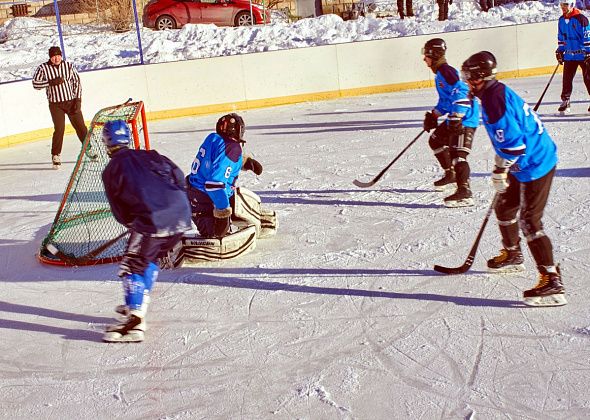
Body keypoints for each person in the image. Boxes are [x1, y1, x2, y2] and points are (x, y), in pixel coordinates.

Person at [460, 51, 566, 307]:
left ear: (479, 77)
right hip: (524, 158)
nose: (466, 82)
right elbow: (510, 142)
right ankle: (512, 253)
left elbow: (515, 147)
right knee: (505, 206)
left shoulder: (494, 101)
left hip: (535, 162)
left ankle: (551, 280)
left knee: (530, 220)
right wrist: (502, 166)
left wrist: (500, 170)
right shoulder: (492, 92)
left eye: (468, 77)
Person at [101, 120, 192, 342]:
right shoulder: (151, 155)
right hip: (181, 214)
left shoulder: (111, 170)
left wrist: (137, 224)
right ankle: (139, 300)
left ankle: (136, 319)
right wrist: (176, 202)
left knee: (132, 263)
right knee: (149, 257)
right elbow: (179, 176)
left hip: (152, 220)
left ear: (106, 142)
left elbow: (120, 211)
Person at [421, 38, 480, 207]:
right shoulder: (441, 74)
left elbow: (462, 91)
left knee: (458, 155)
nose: (424, 58)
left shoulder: (447, 72)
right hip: (456, 116)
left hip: (465, 118)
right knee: (435, 140)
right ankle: (451, 174)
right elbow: (447, 101)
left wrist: (457, 116)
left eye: (426, 55)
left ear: (434, 54)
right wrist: (434, 115)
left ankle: (465, 191)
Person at [186, 113, 263, 239]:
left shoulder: (212, 138)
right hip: (204, 199)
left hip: (194, 192)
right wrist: (223, 212)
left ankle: (238, 216)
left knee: (235, 202)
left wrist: (244, 162)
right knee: (215, 235)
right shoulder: (232, 147)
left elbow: (216, 159)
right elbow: (214, 184)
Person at [32, 46, 94, 169]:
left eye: (58, 55)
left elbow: (77, 82)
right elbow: (35, 84)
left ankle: (88, 149)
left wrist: (78, 99)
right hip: (56, 104)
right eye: (54, 56)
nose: (56, 58)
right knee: (59, 129)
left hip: (71, 102)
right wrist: (50, 82)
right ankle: (56, 155)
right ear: (50, 57)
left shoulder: (69, 66)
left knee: (81, 127)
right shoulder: (43, 68)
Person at [555, 0, 590, 114]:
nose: (563, 7)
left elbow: (587, 37)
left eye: (565, 5)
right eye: (561, 5)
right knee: (566, 79)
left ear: (572, 5)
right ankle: (566, 101)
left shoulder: (581, 19)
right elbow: (561, 37)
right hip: (570, 55)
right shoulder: (561, 20)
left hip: (583, 55)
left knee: (588, 79)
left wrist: (588, 53)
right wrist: (560, 51)